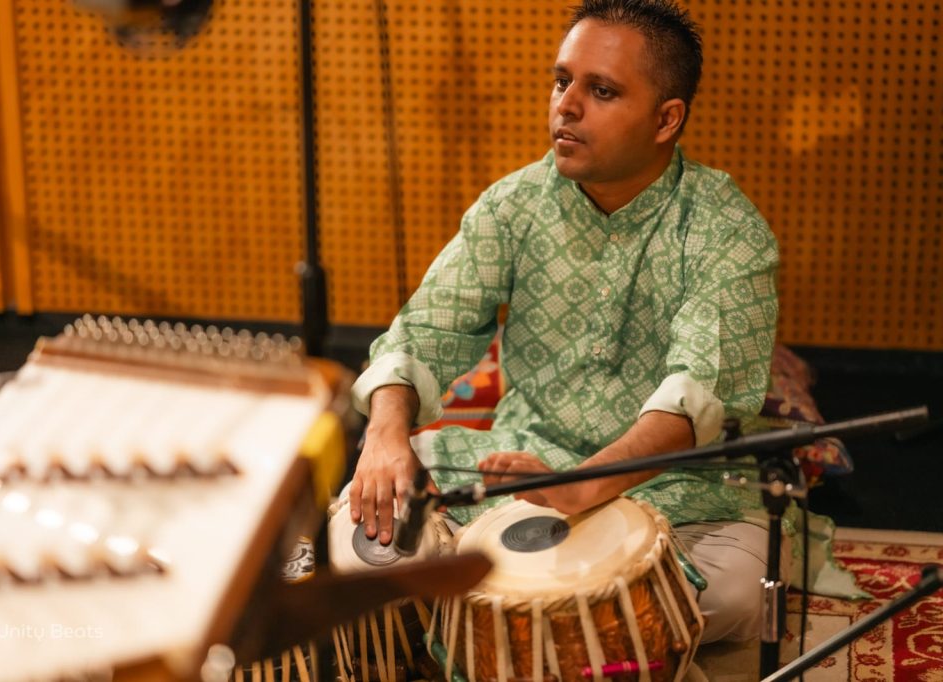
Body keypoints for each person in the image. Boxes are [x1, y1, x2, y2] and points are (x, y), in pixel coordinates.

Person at [347, 0, 851, 644]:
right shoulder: (512, 207)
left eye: (602, 91)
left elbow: (694, 397)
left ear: (667, 119)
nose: (567, 106)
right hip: (522, 467)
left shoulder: (726, 229)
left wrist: (586, 486)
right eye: (562, 81)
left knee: (732, 595)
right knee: (367, 534)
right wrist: (387, 433)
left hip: (684, 487)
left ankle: (484, 616)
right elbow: (426, 329)